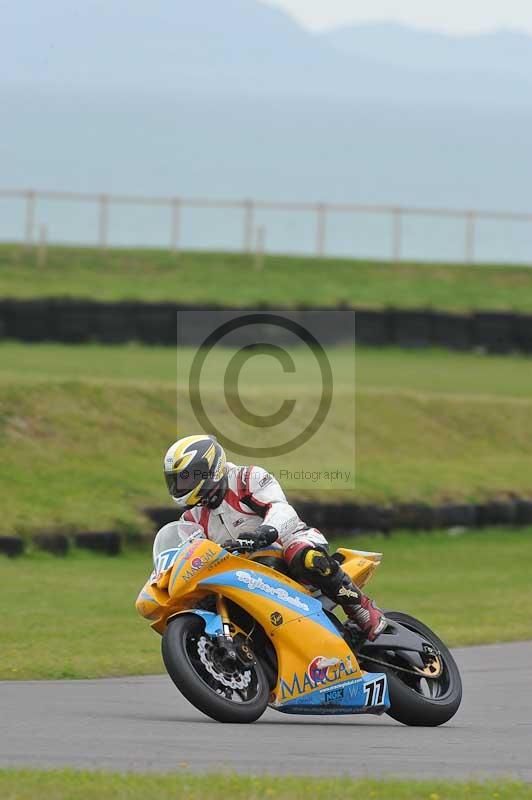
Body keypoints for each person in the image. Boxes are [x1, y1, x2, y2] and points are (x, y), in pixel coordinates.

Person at [159, 434, 386, 641]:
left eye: (186, 478)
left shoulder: (246, 478)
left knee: (304, 558)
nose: (180, 486)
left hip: (288, 541)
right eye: (177, 480)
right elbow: (189, 555)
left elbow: (282, 510)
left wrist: (264, 532)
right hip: (239, 572)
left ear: (210, 469)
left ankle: (361, 609)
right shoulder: (190, 519)